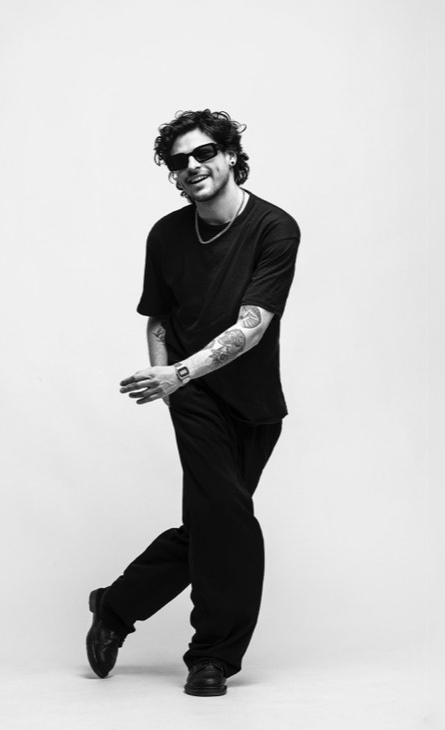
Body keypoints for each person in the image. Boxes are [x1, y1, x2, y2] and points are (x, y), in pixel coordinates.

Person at [86, 109, 301, 697]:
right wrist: (172, 382)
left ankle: (115, 605)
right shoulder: (166, 235)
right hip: (193, 393)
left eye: (204, 153)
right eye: (179, 161)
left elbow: (252, 325)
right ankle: (212, 657)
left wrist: (176, 373)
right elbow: (159, 316)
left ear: (230, 155)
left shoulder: (275, 228)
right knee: (231, 521)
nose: (193, 167)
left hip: (255, 402)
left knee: (212, 524)